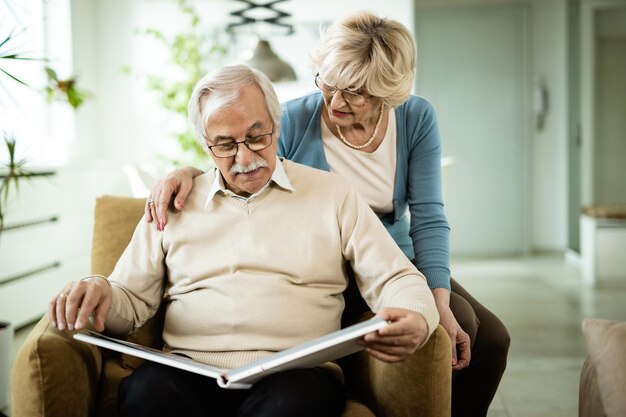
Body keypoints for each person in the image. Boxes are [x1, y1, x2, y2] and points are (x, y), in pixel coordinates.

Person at [147, 11, 511, 417]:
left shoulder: (415, 118)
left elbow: (428, 215)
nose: (336, 101)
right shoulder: (296, 117)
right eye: (329, 82)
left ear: (385, 91)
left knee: (490, 338)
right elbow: (242, 165)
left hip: (388, 256)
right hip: (329, 257)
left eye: (355, 92)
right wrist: (188, 172)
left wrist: (438, 299)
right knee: (458, 324)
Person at [48, 64, 439, 417]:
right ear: (205, 143)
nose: (244, 157)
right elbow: (128, 301)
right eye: (225, 144)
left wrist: (417, 316)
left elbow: (395, 278)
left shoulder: (334, 195)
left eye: (257, 136)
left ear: (277, 124)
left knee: (291, 405)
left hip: (297, 374)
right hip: (189, 371)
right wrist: (99, 290)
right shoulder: (173, 204)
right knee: (148, 395)